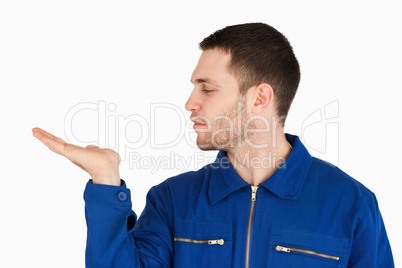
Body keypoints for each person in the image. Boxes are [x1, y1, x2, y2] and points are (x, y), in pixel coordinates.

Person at [32, 22, 394, 267]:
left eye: (207, 88)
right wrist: (105, 180)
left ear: (260, 98)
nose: (190, 102)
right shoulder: (173, 201)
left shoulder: (353, 205)